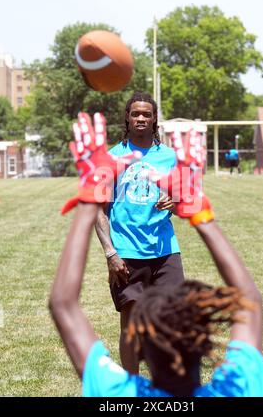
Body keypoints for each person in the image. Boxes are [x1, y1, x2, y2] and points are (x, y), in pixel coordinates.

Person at [50, 117, 263, 397]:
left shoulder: (120, 395)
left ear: (142, 349)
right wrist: (200, 214)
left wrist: (88, 199)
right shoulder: (239, 390)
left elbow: (62, 304)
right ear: (205, 343)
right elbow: (250, 299)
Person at [94, 92, 184, 374]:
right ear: (127, 118)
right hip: (126, 252)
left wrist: (175, 202)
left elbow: (185, 203)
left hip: (165, 250)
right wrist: (111, 253)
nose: (141, 118)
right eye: (136, 114)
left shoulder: (169, 157)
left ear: (155, 118)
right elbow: (98, 211)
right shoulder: (111, 157)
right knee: (130, 326)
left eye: (147, 114)